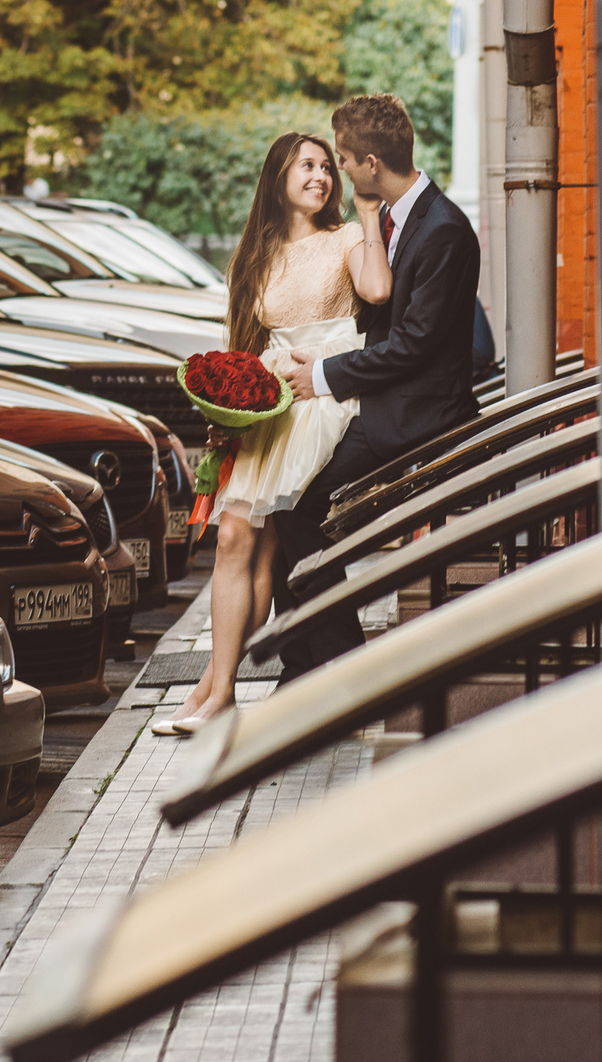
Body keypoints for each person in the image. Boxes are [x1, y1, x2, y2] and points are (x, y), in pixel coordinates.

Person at [151, 131, 391, 737]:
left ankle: (217, 691)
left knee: (267, 543)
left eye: (324, 167)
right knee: (234, 536)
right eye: (305, 166)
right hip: (269, 405)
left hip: (317, 398)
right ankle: (217, 690)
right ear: (277, 177)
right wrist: (226, 415)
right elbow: (245, 348)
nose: (320, 176)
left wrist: (366, 214)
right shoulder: (252, 256)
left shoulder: (344, 239)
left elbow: (377, 291)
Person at [270, 92, 483, 681]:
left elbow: (416, 344)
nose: (337, 169)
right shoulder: (397, 216)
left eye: (341, 158)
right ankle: (301, 664)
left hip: (417, 415)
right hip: (387, 396)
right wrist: (330, 355)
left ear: (369, 163)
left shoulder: (442, 229)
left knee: (296, 500)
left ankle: (335, 663)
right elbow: (391, 330)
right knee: (286, 495)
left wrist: (320, 377)